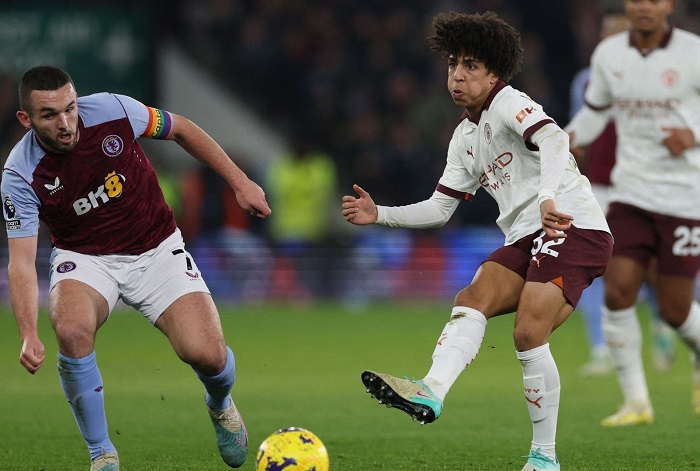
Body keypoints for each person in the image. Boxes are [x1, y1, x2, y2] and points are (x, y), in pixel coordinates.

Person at [342, 11, 612, 471]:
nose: (458, 75)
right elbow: (439, 208)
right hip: (527, 234)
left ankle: (544, 458)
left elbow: (554, 138)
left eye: (470, 65)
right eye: (453, 64)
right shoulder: (464, 137)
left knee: (528, 332)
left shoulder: (508, 102)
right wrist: (380, 214)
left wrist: (547, 196)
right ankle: (431, 390)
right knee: (473, 297)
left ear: (493, 75)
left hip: (571, 224)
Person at [1, 66, 271, 470]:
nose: (65, 123)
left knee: (208, 356)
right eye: (49, 115)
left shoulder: (113, 110)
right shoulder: (19, 173)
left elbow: (182, 129)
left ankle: (220, 404)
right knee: (71, 329)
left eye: (70, 108)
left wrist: (240, 182)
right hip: (86, 258)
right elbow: (21, 262)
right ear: (26, 119)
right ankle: (102, 453)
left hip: (156, 247)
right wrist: (28, 333)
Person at [566, 0, 700, 427]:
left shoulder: (693, 52)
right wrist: (567, 138)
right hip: (631, 193)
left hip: (684, 197)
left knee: (676, 310)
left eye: (654, 0)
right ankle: (637, 402)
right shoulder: (609, 55)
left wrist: (693, 134)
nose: (645, 7)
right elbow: (595, 112)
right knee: (617, 289)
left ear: (669, 5)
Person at [568, 8, 676, 377]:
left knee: (647, 264)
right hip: (598, 185)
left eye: (618, 33)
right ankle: (601, 348)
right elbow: (579, 131)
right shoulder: (585, 80)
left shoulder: (654, 76)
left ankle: (662, 320)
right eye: (606, 33)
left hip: (639, 183)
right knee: (588, 264)